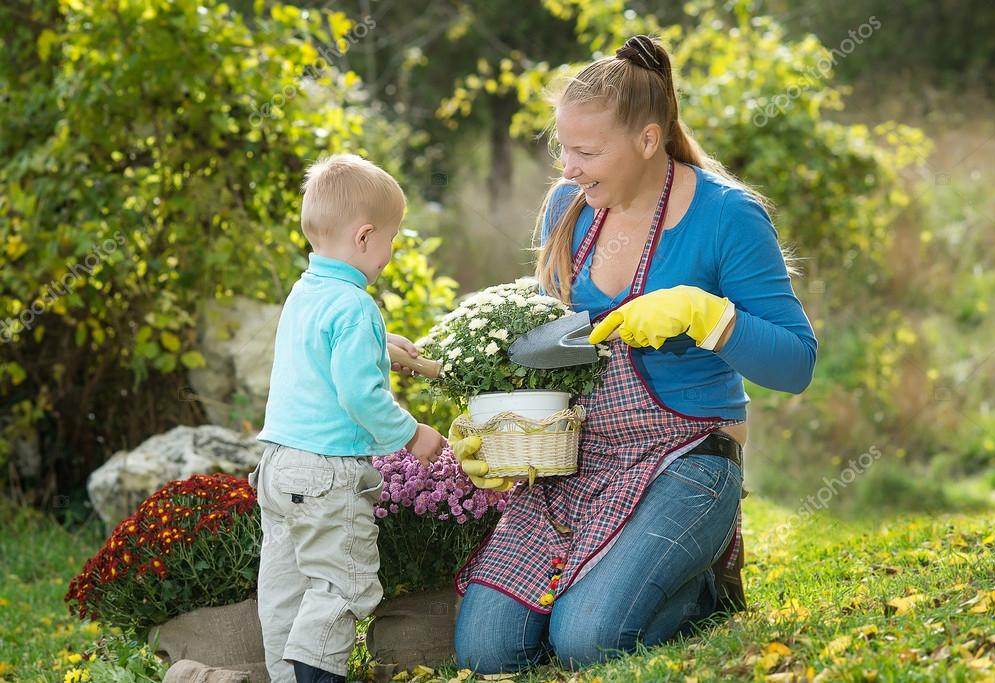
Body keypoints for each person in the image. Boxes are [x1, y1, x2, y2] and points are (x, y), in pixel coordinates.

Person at [450, 35, 817, 672]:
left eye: (586, 151)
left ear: (648, 141)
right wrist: (499, 424)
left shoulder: (728, 216)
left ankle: (704, 585)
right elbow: (556, 351)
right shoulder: (569, 209)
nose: (567, 166)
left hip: (689, 458)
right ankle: (631, 584)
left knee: (586, 641)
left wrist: (709, 316)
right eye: (563, 146)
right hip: (584, 460)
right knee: (488, 649)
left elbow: (796, 363)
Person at [249, 154, 445, 683]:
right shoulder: (358, 308)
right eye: (392, 237)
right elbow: (359, 394)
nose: (392, 250)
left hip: (278, 468)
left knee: (286, 594)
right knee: (343, 586)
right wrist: (411, 434)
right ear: (364, 238)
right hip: (326, 474)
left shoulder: (306, 292)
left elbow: (325, 356)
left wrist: (385, 346)